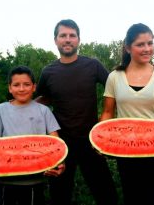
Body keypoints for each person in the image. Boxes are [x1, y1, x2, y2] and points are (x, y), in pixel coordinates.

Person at [36, 19, 118, 205]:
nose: (67, 39)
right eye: (63, 35)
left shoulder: (93, 65)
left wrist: (145, 72)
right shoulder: (48, 71)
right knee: (59, 195)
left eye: (72, 35)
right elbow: (44, 99)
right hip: (61, 141)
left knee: (106, 194)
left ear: (78, 40)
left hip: (91, 140)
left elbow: (115, 86)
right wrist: (19, 104)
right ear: (55, 40)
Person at [99, 23, 154, 205]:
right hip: (126, 150)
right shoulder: (114, 77)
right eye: (140, 44)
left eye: (150, 43)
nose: (147, 49)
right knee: (132, 198)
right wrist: (101, 139)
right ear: (128, 48)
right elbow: (108, 112)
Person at [0, 65, 65, 205]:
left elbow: (55, 142)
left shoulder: (44, 111)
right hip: (3, 181)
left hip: (34, 180)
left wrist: (59, 162)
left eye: (26, 84)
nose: (21, 88)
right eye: (16, 85)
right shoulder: (0, 110)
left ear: (34, 87)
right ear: (9, 88)